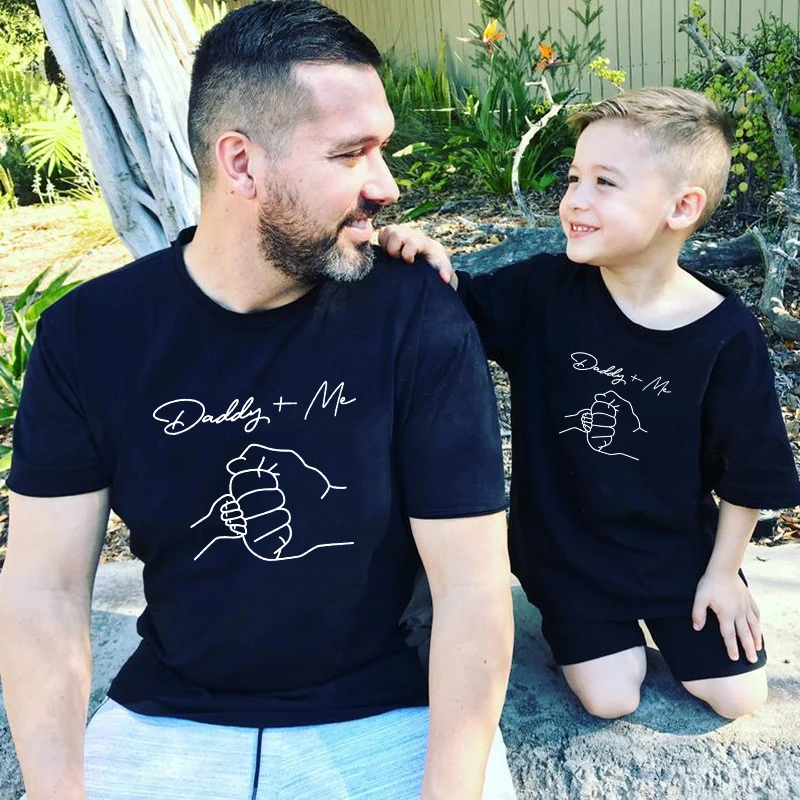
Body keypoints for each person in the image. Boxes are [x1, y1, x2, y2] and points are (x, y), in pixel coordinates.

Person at [0, 2, 517, 798]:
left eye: (382, 147)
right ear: (241, 163)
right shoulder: (89, 336)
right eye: (351, 154)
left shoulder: (416, 315)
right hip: (166, 722)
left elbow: (472, 587)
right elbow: (45, 589)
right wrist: (55, 790)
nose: (387, 185)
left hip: (386, 716)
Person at [379, 87, 800, 721]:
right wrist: (426, 258)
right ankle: (577, 626)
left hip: (676, 558)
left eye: (605, 182)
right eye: (574, 177)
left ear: (682, 206)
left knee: (738, 696)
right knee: (612, 696)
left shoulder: (725, 332)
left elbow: (749, 472)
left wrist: (722, 575)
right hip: (568, 557)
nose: (574, 199)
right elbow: (455, 306)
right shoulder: (545, 293)